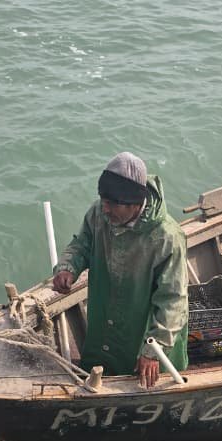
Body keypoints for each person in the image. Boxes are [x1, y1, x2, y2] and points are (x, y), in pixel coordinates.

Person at [52, 152, 188, 388]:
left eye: (112, 203)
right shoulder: (99, 213)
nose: (104, 208)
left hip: (142, 334)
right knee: (98, 365)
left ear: (135, 204)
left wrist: (153, 349)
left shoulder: (167, 238)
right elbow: (82, 244)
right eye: (103, 200)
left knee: (142, 377)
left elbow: (173, 300)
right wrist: (67, 267)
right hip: (103, 317)